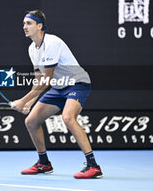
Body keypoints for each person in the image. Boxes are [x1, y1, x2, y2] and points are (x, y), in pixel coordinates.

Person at [11, 10, 102, 179]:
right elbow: (38, 80)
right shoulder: (32, 49)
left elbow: (46, 81)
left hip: (77, 82)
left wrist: (22, 100)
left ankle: (93, 166)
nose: (24, 27)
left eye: (28, 23)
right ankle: (44, 163)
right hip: (59, 87)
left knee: (68, 117)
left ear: (40, 26)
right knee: (31, 121)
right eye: (23, 23)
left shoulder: (52, 43)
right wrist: (28, 104)